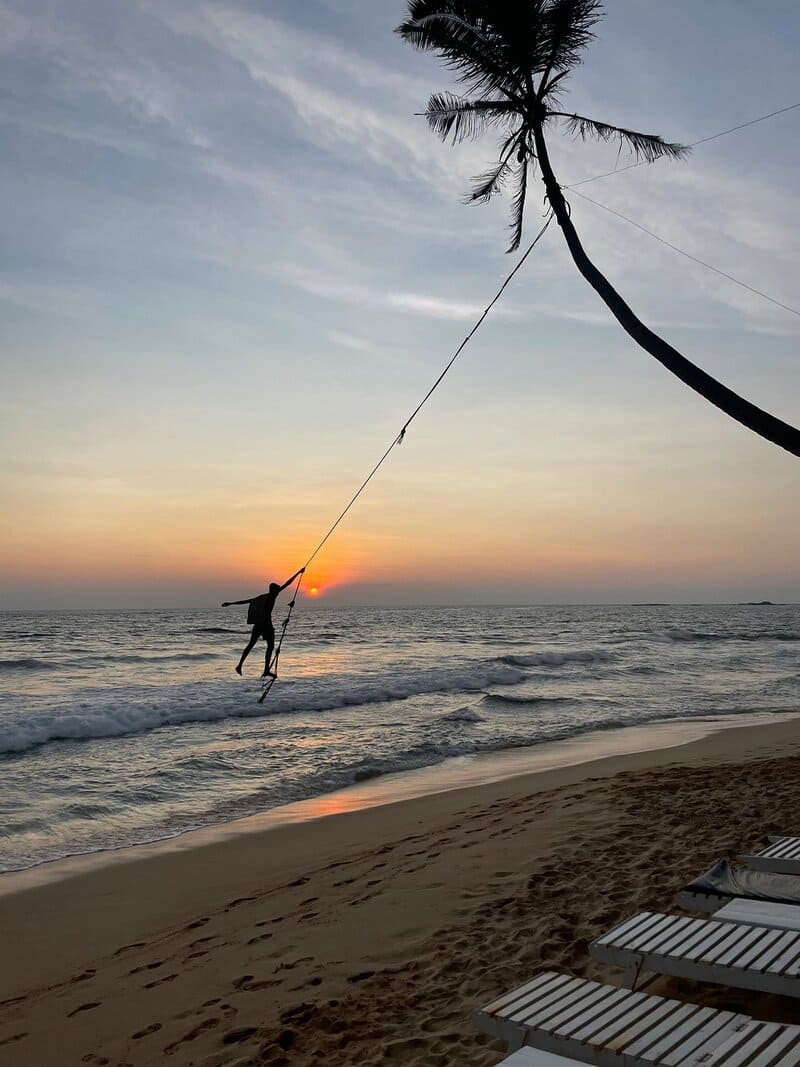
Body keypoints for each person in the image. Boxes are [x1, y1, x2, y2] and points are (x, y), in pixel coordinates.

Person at [222, 568, 304, 677]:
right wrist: (298, 572)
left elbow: (245, 601)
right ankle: (265, 670)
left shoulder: (261, 597)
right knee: (270, 646)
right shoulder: (272, 596)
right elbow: (287, 584)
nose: (279, 592)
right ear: (274, 590)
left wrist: (230, 603)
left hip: (258, 624)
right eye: (277, 590)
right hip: (266, 625)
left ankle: (240, 665)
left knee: (251, 644)